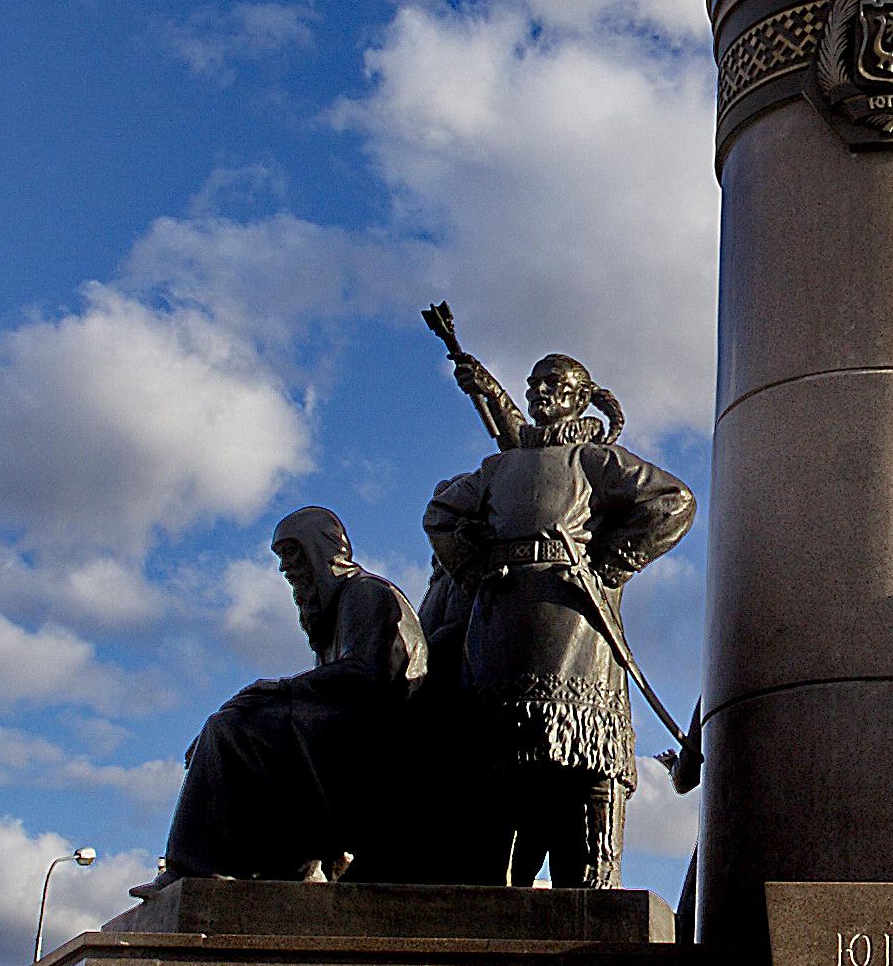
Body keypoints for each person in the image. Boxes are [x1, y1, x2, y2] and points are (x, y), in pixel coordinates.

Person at [416, 311, 698, 891]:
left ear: (579, 401)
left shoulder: (594, 461)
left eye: (553, 387)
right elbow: (442, 515)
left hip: (571, 622)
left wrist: (609, 564)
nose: (540, 394)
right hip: (498, 626)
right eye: (534, 386)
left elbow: (673, 501)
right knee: (494, 767)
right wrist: (473, 568)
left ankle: (590, 878)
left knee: (584, 757)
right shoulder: (499, 467)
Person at [152, 507, 429, 883]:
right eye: (283, 561)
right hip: (346, 734)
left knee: (233, 730)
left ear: (320, 551)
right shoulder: (331, 617)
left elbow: (369, 675)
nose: (287, 571)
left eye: (293, 556)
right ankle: (279, 866)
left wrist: (280, 690)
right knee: (235, 726)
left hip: (381, 742)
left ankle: (194, 868)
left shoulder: (367, 594)